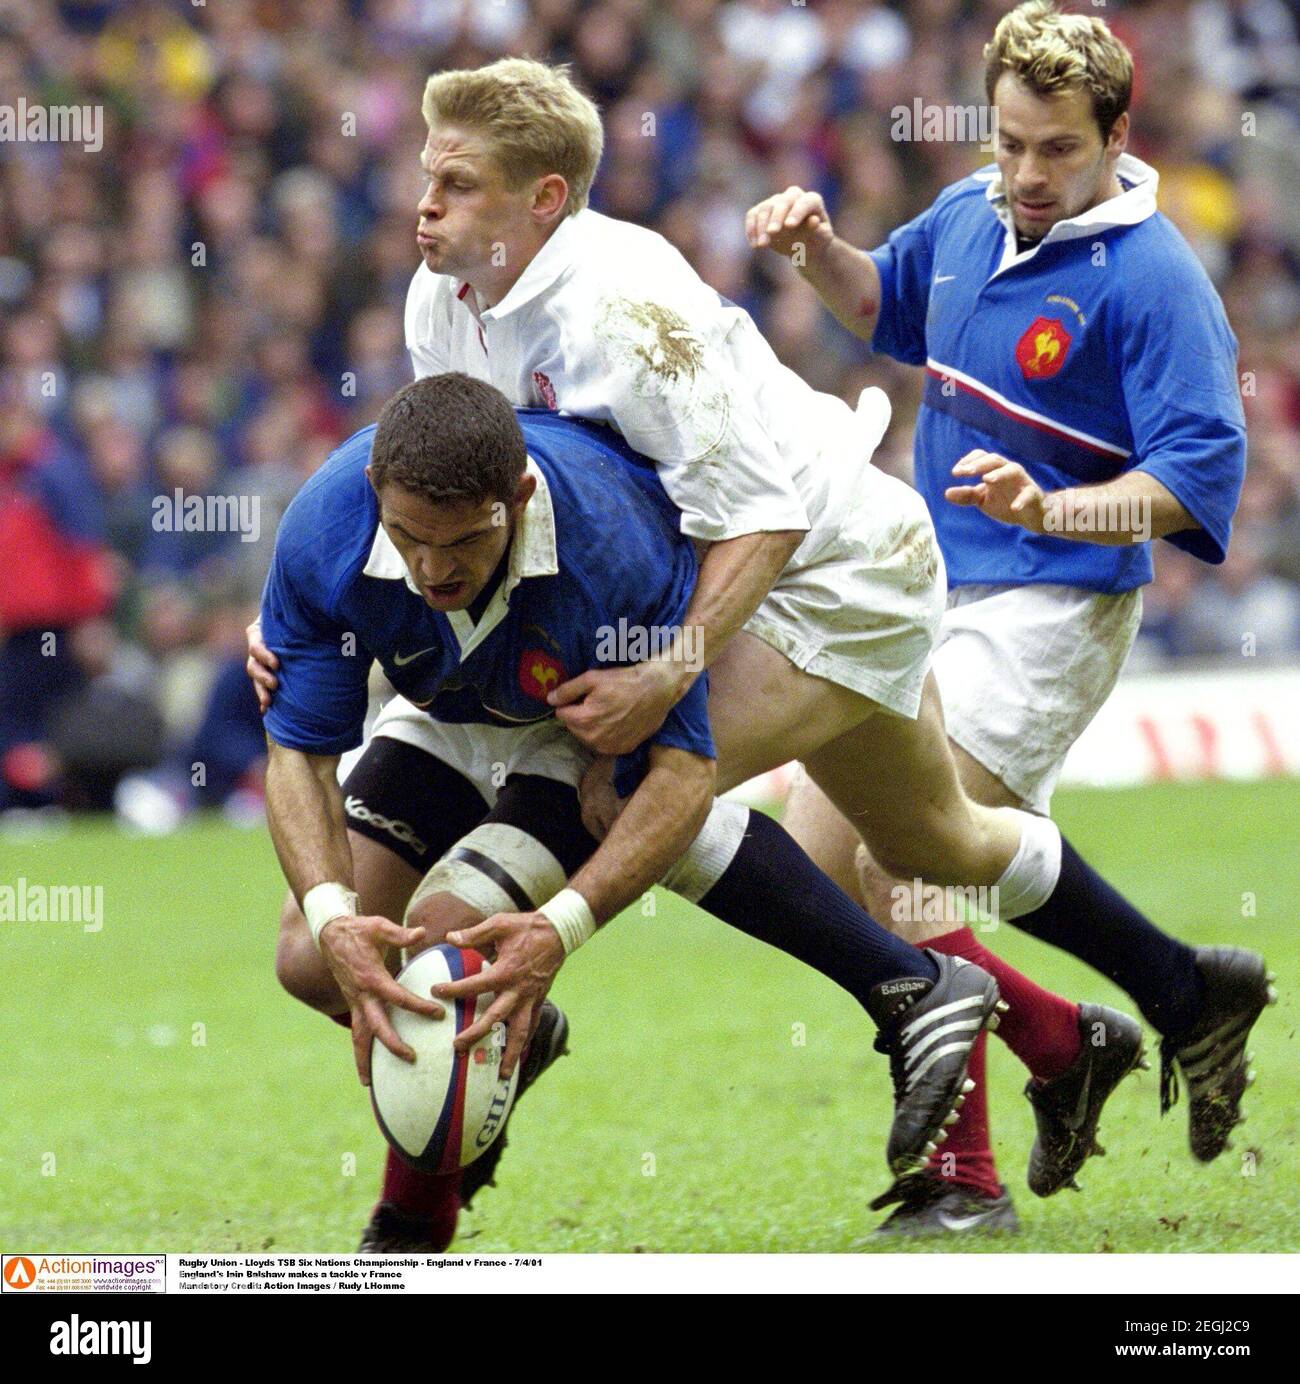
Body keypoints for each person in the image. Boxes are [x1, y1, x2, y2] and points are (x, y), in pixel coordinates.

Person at [246, 54, 1166, 1237]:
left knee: (621, 791)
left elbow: (762, 516)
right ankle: (1083, 1024)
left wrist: (665, 667)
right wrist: (312, 618)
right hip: (636, 576)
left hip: (828, 568)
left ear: (544, 200)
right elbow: (448, 477)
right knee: (937, 839)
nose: (423, 206)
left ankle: (919, 1017)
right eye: (427, 177)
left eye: (457, 184)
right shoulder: (442, 299)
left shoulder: (629, 309)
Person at [262, 373, 1004, 1252]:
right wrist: (334, 917)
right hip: (455, 702)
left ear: (518, 498)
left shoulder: (610, 542)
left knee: (460, 944)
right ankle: (988, 1007)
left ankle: (412, 1229)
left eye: (461, 541)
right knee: (312, 959)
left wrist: (560, 930)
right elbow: (297, 758)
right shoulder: (326, 527)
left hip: (669, 656)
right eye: (407, 539)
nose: (431, 569)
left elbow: (685, 776)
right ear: (374, 492)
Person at [745, 0, 1275, 1228]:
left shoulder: (1153, 277)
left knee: (904, 851)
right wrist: (814, 248)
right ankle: (1101, 1022)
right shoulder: (966, 216)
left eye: (1058, 149)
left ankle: (961, 1179)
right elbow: (883, 309)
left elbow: (1196, 477)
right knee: (814, 856)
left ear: (1116, 137)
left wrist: (1054, 507)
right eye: (1010, 143)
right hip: (924, 589)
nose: (1028, 174)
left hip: (1052, 604)